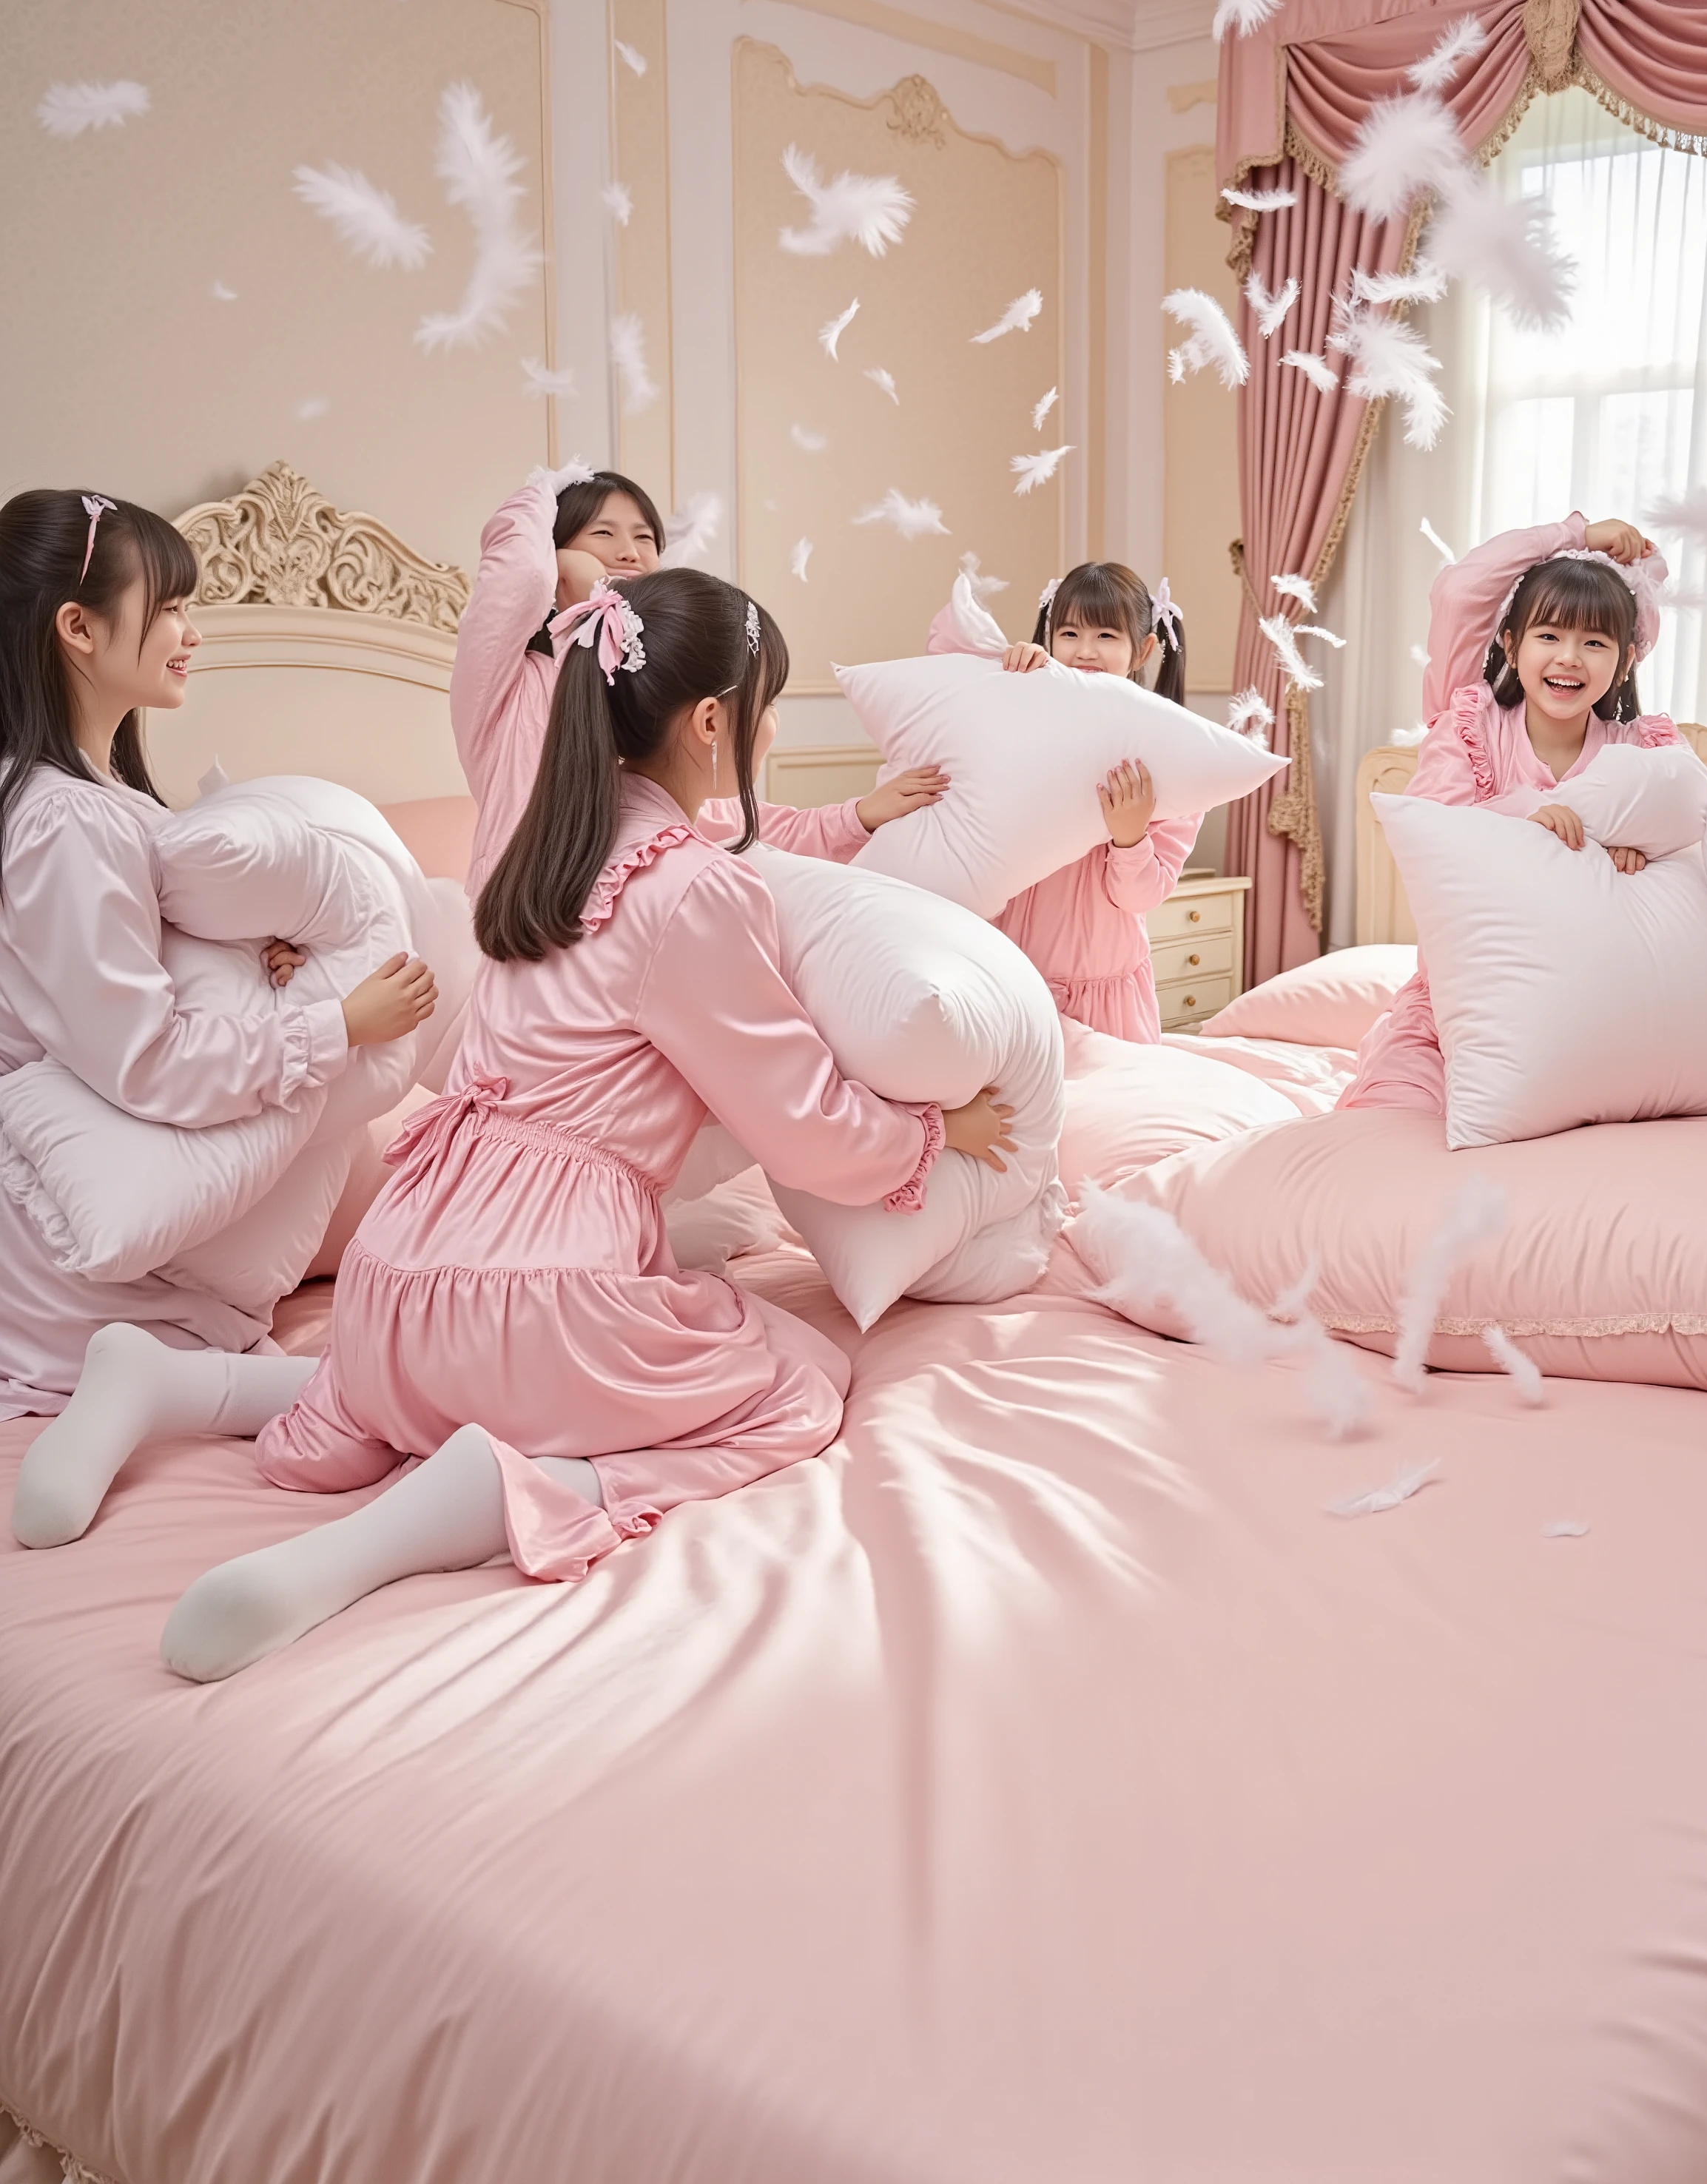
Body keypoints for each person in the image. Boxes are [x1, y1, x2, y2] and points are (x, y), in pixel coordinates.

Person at [19, 567, 1015, 1678]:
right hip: (545, 1294)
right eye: (767, 705)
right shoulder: (692, 892)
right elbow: (798, 1117)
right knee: (793, 1385)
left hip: (396, 1279)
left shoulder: (530, 860)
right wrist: (925, 1136)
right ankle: (461, 1506)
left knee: (417, 1368)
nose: (776, 729)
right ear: (711, 723)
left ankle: (168, 1381)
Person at [0, 489, 433, 1438]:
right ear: (78, 627)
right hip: (92, 1260)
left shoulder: (97, 800)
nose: (191, 633)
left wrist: (253, 952)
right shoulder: (63, 821)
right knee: (401, 1387)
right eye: (169, 610)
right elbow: (143, 1062)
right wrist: (336, 1024)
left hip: (133, 1232)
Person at [455, 464, 946, 899]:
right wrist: (551, 496)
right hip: (520, 936)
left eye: (645, 538)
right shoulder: (508, 686)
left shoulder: (644, 704)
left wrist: (856, 817)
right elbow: (513, 578)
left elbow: (734, 821)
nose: (628, 552)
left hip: (628, 947)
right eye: (602, 534)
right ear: (554, 550)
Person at [1340, 513, 1675, 1113]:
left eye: (1594, 643)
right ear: (1510, 644)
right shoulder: (1469, 725)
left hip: (1590, 1014)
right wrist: (1575, 534)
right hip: (1453, 1007)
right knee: (1389, 1128)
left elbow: (1697, 859)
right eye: (1549, 635)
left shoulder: (1644, 753)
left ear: (1625, 662)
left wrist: (1644, 859)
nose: (1570, 658)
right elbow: (1460, 590)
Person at [927, 560, 1201, 1042]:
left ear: (1144, 649)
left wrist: (1130, 837)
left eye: (1106, 636)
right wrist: (1007, 680)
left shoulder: (1172, 755)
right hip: (1010, 973)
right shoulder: (1025, 714)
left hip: (1103, 994)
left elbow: (1141, 897)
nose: (1084, 651)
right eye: (1069, 633)